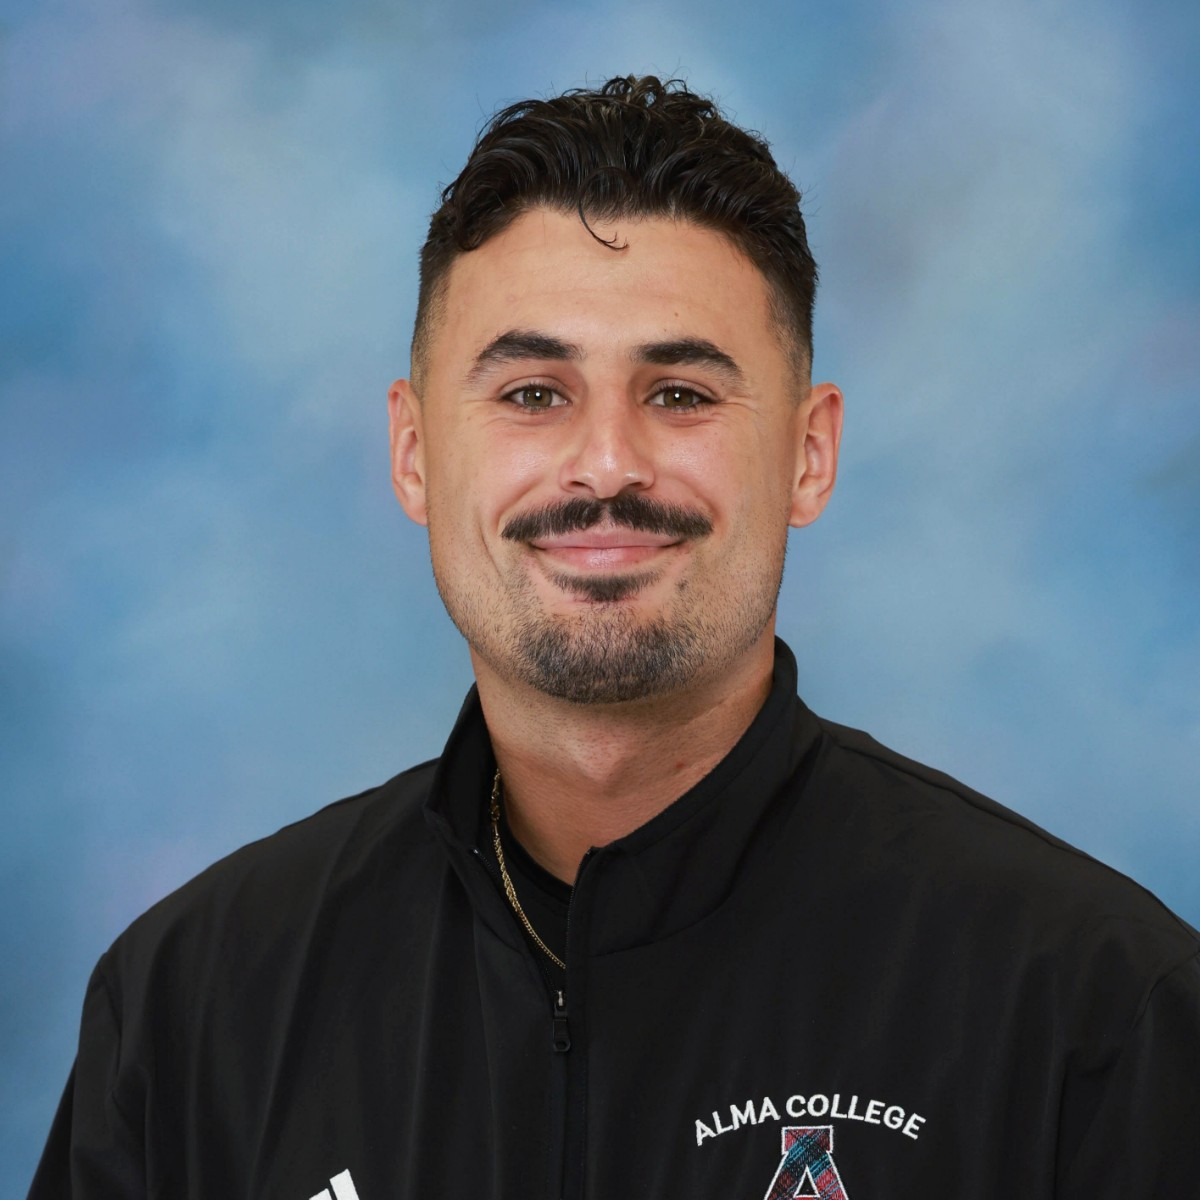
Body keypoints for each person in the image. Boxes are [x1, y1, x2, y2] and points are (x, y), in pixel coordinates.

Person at [30, 75, 1199, 1200]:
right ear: (414, 453)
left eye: (681, 393)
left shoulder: (1093, 1012)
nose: (605, 465)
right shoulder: (194, 1011)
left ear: (810, 454)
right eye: (532, 393)